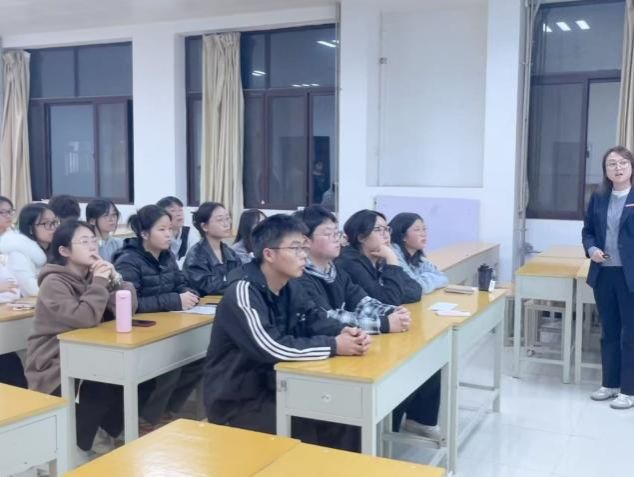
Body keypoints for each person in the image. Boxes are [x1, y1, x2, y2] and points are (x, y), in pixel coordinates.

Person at [203, 214, 370, 450]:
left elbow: (315, 319)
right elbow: (271, 346)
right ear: (269, 254)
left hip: (280, 384)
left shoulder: (291, 286)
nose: (303, 255)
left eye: (304, 247)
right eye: (295, 248)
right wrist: (334, 345)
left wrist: (347, 332)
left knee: (346, 415)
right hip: (240, 399)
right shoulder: (242, 292)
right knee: (306, 431)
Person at [295, 205, 441, 439]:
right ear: (305, 241)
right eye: (328, 233)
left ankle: (404, 423)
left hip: (346, 343)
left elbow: (364, 300)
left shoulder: (334, 271)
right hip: (319, 354)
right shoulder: (311, 274)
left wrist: (393, 312)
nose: (337, 238)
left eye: (336, 233)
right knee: (396, 364)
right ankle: (382, 432)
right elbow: (326, 317)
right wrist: (385, 322)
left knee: (422, 354)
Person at [25, 220, 137, 454]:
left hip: (90, 353)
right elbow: (83, 318)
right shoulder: (53, 282)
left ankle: (102, 432)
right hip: (54, 362)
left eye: (93, 240)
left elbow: (128, 309)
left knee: (134, 373)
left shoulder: (93, 276)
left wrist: (115, 278)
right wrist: (99, 283)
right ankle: (80, 446)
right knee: (102, 381)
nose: (92, 246)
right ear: (64, 251)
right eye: (84, 242)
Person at [113, 205, 202, 426]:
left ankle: (165, 411)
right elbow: (132, 305)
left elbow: (181, 284)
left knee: (199, 358)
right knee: (170, 366)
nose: (168, 234)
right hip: (139, 330)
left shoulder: (167, 256)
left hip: (167, 326)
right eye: (162, 229)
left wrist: (189, 294)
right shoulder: (128, 260)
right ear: (144, 234)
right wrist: (175, 300)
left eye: (170, 229)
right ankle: (145, 419)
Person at [582, 145, 634, 410]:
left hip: (630, 276)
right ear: (605, 170)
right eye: (612, 163)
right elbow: (588, 230)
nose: (618, 167)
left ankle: (629, 390)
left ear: (631, 167)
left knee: (630, 334)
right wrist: (591, 249)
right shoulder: (599, 197)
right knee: (609, 331)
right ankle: (610, 384)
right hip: (604, 274)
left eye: (623, 162)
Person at [335, 209, 422, 305]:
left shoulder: (379, 259)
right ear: (361, 237)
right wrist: (392, 260)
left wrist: (395, 293)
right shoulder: (349, 263)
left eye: (387, 229)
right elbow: (389, 300)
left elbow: (416, 290)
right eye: (378, 229)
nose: (386, 235)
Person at [0, 203, 58, 296]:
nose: (53, 228)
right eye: (47, 223)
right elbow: (31, 289)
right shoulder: (18, 252)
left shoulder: (58, 247)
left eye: (55, 222)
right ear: (30, 228)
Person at [183, 202, 241, 296]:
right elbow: (209, 287)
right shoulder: (196, 255)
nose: (226, 224)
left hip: (229, 299)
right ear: (205, 226)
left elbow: (241, 276)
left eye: (227, 218)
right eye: (220, 220)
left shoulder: (231, 253)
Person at [389, 213, 448, 294]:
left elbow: (444, 278)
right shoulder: (393, 254)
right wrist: (428, 277)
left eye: (424, 229)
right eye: (417, 230)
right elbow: (414, 286)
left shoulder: (418, 257)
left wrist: (422, 279)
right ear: (403, 236)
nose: (423, 234)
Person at [156, 196, 200, 268]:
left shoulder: (190, 233)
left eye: (180, 210)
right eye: (173, 211)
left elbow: (195, 258)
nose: (179, 214)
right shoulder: (158, 235)